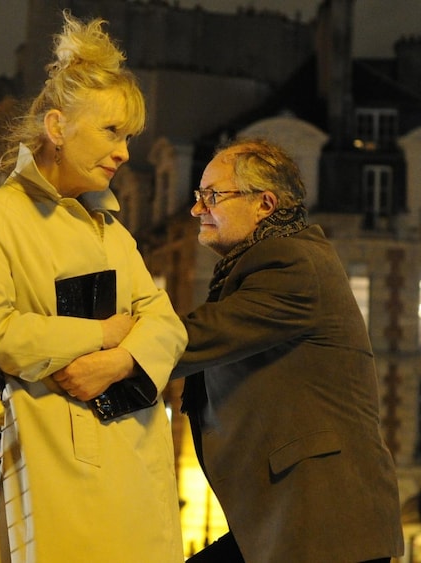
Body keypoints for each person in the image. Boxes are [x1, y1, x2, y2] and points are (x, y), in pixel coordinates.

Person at [0, 12, 187, 563]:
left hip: (135, 467)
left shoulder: (112, 230)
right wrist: (104, 331)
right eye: (111, 132)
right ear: (57, 128)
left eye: (127, 136)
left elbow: (166, 324)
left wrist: (118, 361)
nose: (125, 151)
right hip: (56, 468)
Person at [172, 138, 405, 563]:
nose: (197, 209)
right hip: (303, 523)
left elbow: (200, 337)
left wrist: (113, 341)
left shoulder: (291, 261)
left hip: (325, 527)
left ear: (264, 203)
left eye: (212, 195)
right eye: (197, 195)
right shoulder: (262, 262)